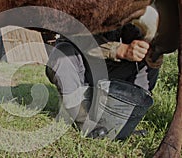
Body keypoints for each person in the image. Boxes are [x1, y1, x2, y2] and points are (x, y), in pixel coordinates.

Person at [45, 8, 163, 139]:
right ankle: (85, 123)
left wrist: (150, 52)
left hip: (112, 78)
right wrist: (120, 50)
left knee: (148, 64)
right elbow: (76, 36)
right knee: (62, 55)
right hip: (84, 73)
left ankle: (123, 124)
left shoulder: (133, 8)